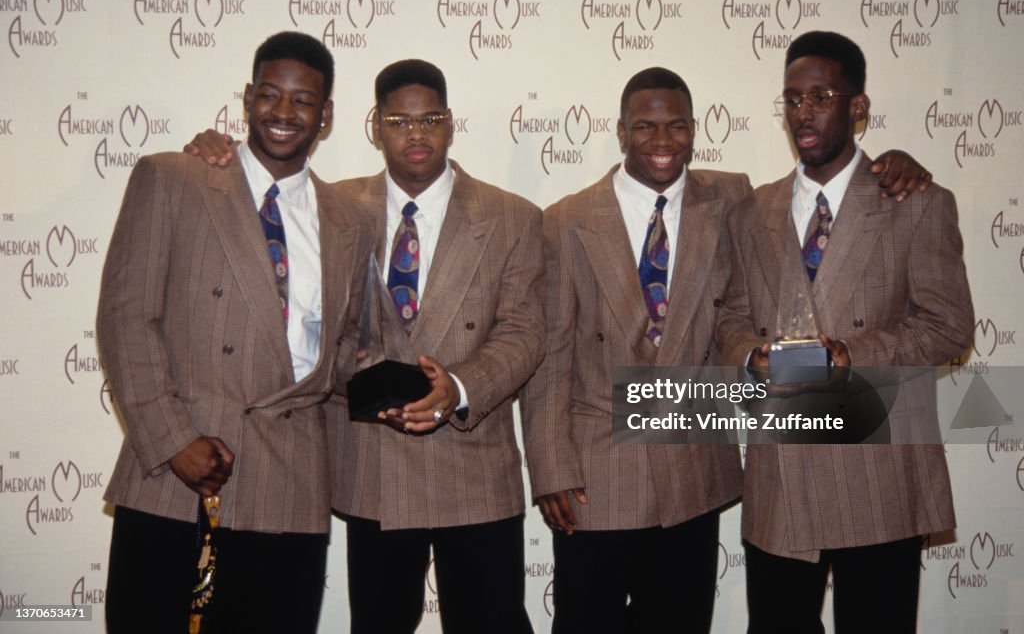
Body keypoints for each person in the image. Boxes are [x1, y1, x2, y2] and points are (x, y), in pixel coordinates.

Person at [520, 66, 935, 634]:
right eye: (645, 127)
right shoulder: (566, 220)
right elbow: (550, 355)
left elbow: (830, 187)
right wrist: (550, 468)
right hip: (598, 472)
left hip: (693, 468)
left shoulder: (736, 200)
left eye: (678, 127)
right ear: (620, 132)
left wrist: (895, 163)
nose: (663, 142)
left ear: (695, 130)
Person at [187, 59, 543, 634]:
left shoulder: (513, 218)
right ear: (374, 126)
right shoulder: (331, 209)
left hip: (474, 468)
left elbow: (526, 332)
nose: (416, 133)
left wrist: (459, 388)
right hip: (370, 465)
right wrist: (208, 158)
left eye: (429, 118)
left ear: (451, 123)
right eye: (399, 120)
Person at [98, 31, 372, 634]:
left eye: (303, 101)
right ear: (246, 98)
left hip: (291, 488)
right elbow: (125, 319)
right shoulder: (175, 179)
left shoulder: (349, 219)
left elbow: (346, 347)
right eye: (270, 94)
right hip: (181, 472)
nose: (283, 112)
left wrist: (431, 389)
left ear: (325, 116)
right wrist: (173, 440)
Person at [716, 30, 973, 633]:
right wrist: (748, 355)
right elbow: (727, 316)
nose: (804, 113)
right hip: (783, 475)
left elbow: (949, 326)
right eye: (793, 99)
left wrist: (852, 354)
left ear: (858, 107)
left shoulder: (914, 202)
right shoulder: (753, 210)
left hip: (877, 473)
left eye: (822, 96)